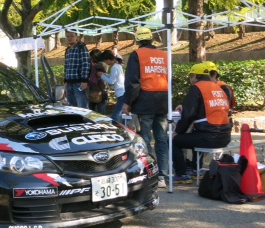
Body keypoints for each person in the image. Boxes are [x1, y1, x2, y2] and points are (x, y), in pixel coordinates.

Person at [122, 27, 169, 188]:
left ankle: (151, 173)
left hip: (145, 101)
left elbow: (132, 82)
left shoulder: (137, 54)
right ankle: (163, 175)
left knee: (146, 139)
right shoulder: (163, 55)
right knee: (161, 138)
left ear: (137, 40)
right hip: (163, 101)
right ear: (151, 39)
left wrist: (128, 102)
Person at [171, 63, 232, 184]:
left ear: (195, 76)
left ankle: (181, 174)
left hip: (208, 137)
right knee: (194, 135)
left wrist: (177, 132)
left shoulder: (197, 88)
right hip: (225, 137)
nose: (190, 79)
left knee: (173, 141)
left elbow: (188, 115)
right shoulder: (219, 88)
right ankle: (194, 169)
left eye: (191, 76)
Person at [63, 30, 91, 109]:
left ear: (76, 37)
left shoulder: (82, 48)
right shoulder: (68, 50)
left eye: (72, 36)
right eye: (67, 36)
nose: (69, 38)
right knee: (72, 108)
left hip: (79, 83)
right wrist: (65, 80)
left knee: (82, 107)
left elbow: (86, 64)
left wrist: (84, 81)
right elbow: (66, 66)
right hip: (69, 83)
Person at [97, 49, 125, 123]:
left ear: (108, 59)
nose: (105, 63)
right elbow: (113, 77)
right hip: (123, 92)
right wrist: (105, 74)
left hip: (121, 93)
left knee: (115, 117)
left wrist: (102, 75)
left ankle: (115, 128)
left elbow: (112, 81)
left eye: (105, 61)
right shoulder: (118, 65)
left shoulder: (114, 68)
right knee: (120, 115)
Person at [87, 49, 108, 114]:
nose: (91, 59)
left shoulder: (102, 64)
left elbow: (102, 67)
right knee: (90, 113)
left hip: (101, 91)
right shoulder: (91, 65)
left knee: (101, 113)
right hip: (91, 90)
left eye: (92, 57)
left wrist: (91, 64)